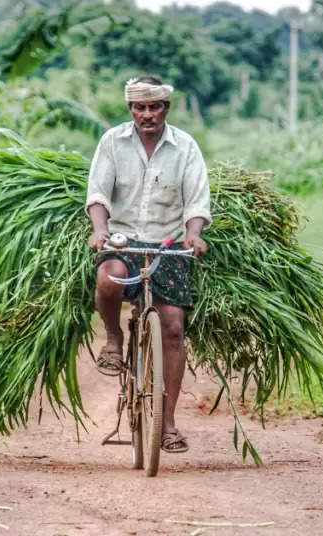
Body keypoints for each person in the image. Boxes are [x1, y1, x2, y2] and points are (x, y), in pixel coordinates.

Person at [84, 76, 211, 454]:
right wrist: (100, 231)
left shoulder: (185, 147)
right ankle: (113, 339)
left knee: (172, 328)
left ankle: (167, 423)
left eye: (154, 107)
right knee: (109, 279)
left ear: (165, 109)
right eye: (139, 108)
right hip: (123, 240)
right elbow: (98, 194)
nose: (147, 114)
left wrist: (194, 233)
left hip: (168, 244)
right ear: (131, 111)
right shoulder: (112, 142)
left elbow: (196, 201)